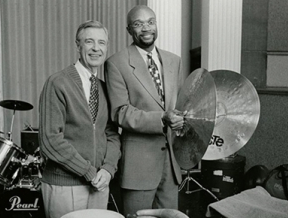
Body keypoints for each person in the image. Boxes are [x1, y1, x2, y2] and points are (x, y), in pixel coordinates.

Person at [104, 5, 186, 217]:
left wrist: (180, 119)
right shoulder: (116, 63)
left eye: (150, 22)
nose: (146, 28)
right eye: (138, 24)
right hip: (139, 167)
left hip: (171, 164)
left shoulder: (173, 61)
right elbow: (120, 112)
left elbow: (178, 105)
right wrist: (163, 119)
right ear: (129, 30)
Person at [38, 20, 121, 218]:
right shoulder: (58, 82)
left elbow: (111, 134)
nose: (96, 48)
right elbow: (50, 140)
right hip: (65, 186)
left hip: (99, 184)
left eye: (101, 43)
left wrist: (108, 170)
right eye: (89, 42)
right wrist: (88, 172)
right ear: (78, 45)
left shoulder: (104, 87)